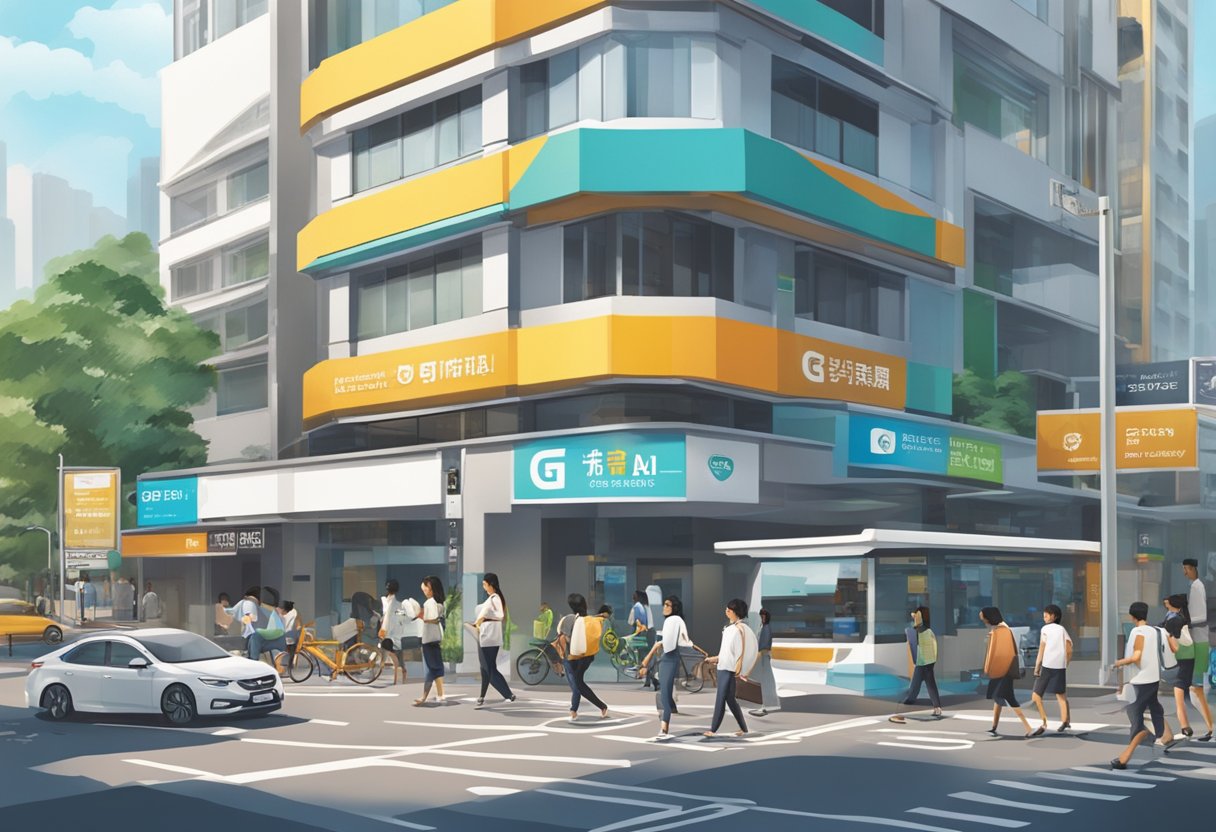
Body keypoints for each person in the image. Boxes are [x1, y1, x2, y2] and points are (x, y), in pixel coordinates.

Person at [1111, 601, 1178, 768]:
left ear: (1132, 616)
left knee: (1136, 718)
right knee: (1154, 707)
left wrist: (1118, 663)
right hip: (1153, 678)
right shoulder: (1158, 630)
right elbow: (1173, 648)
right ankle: (1167, 736)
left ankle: (1124, 758)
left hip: (1141, 680)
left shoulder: (1138, 631)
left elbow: (1136, 657)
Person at [639, 595, 700, 741]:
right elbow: (686, 640)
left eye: (668, 605)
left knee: (664, 694)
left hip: (669, 659)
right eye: (664, 604)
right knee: (665, 691)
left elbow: (666, 644)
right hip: (670, 659)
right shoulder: (677, 621)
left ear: (674, 608)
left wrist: (646, 660)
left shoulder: (671, 620)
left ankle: (664, 728)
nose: (664, 607)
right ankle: (670, 712)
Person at [703, 598, 757, 738]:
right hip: (727, 667)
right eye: (727, 608)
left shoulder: (735, 630)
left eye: (730, 609)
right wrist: (715, 659)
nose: (726, 610)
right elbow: (727, 652)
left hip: (728, 669)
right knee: (730, 700)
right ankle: (744, 729)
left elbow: (736, 653)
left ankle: (713, 729)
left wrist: (736, 669)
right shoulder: (734, 629)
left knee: (721, 698)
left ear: (736, 612)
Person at [1162, 594, 1213, 741]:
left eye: (1167, 603)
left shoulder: (1175, 620)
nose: (1166, 605)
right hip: (1193, 659)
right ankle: (1205, 728)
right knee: (1195, 692)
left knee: (1183, 694)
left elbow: (1175, 646)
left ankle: (1187, 727)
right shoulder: (1186, 619)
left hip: (1185, 660)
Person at [554, 593, 609, 722]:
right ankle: (578, 709)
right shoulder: (590, 620)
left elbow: (564, 638)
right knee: (578, 683)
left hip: (570, 656)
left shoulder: (568, 619)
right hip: (586, 657)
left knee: (577, 685)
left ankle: (578, 710)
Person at [980, 606, 1033, 737]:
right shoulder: (1002, 630)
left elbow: (995, 654)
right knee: (999, 698)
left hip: (1001, 671)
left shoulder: (999, 631)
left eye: (984, 619)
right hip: (1004, 670)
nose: (984, 622)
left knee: (1005, 698)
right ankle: (994, 726)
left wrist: (987, 668)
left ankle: (1028, 727)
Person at [889, 606, 942, 724]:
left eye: (917, 615)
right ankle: (937, 707)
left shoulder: (921, 630)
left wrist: (914, 616)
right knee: (929, 684)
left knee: (916, 685)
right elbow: (934, 647)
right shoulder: (929, 631)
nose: (914, 616)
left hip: (923, 662)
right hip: (929, 661)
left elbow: (915, 626)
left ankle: (905, 705)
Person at [472, 573, 516, 708]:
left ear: (491, 584)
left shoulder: (494, 598)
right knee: (487, 668)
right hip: (490, 635)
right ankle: (484, 695)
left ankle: (506, 694)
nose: (484, 587)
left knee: (488, 669)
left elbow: (499, 615)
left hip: (488, 637)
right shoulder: (495, 598)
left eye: (485, 584)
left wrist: (482, 618)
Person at [1030, 604, 1072, 734]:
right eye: (1044, 615)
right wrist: (1066, 663)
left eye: (1047, 615)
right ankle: (1065, 721)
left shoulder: (1046, 629)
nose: (1045, 617)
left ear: (1054, 616)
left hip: (1047, 666)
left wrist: (1037, 666)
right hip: (1059, 666)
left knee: (1036, 696)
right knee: (1061, 695)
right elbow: (1069, 647)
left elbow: (1041, 649)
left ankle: (1045, 722)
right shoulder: (1062, 630)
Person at [414, 576, 447, 706]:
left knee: (430, 669)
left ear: (431, 589)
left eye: (425, 588)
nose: (424, 590)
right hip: (436, 638)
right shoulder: (440, 603)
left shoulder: (430, 603)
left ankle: (424, 696)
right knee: (436, 667)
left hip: (428, 639)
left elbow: (431, 619)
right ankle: (440, 694)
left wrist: (419, 616)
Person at [1184, 558, 1211, 696]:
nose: (1185, 573)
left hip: (1199, 634)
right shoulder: (1195, 585)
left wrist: (1187, 621)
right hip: (1197, 633)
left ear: (1193, 569)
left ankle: (1199, 694)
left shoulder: (1197, 586)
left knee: (1200, 667)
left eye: (1186, 569)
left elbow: (1202, 615)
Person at [749, 608, 778, 717]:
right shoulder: (761, 628)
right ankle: (766, 706)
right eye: (761, 615)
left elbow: (764, 647)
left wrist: (756, 659)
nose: (762, 618)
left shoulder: (766, 628)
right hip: (762, 657)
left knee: (764, 682)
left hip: (763, 658)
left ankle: (765, 707)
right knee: (765, 682)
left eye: (763, 616)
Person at [379, 579, 408, 684]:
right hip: (388, 631)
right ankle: (398, 673)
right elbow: (400, 620)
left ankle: (401, 674)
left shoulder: (398, 604)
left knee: (395, 653)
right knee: (391, 653)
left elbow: (400, 619)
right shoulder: (384, 601)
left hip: (391, 632)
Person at [629, 590, 657, 690]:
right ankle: (649, 680)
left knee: (643, 657)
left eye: (634, 596)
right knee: (648, 657)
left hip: (643, 633)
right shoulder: (647, 607)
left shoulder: (638, 607)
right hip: (651, 632)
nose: (633, 597)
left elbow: (634, 622)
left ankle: (653, 680)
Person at [229, 586, 261, 657]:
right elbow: (249, 621)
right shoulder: (250, 603)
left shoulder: (243, 602)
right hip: (242, 644)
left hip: (238, 643)